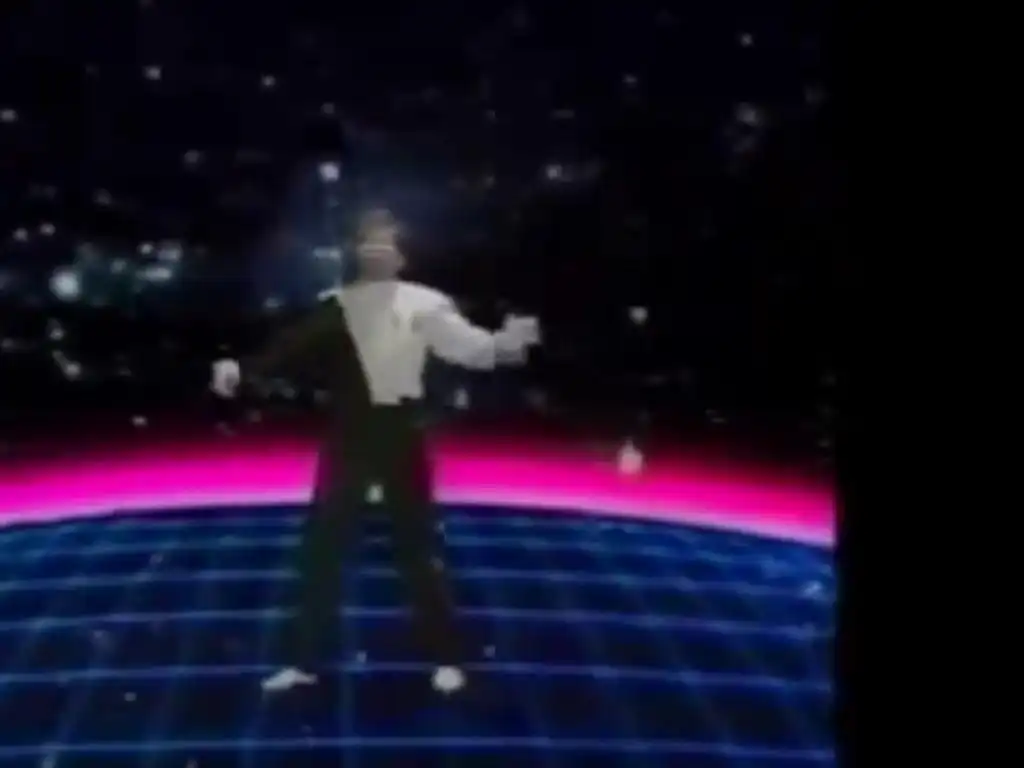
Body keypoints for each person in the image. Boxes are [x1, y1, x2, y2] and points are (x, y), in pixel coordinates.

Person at [210, 210, 541, 697]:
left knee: (417, 550)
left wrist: (509, 345)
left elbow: (471, 348)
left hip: (399, 432)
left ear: (401, 255)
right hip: (349, 434)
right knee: (322, 550)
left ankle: (447, 659)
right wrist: (242, 370)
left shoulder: (424, 303)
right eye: (368, 243)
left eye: (385, 243)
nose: (376, 251)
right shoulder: (336, 304)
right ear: (357, 251)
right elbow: (287, 351)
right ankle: (301, 662)